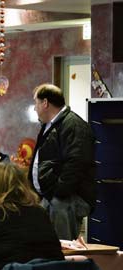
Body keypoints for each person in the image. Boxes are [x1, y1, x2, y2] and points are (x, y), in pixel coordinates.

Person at [29, 83, 96, 240]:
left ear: (45, 103)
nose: (34, 108)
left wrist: (58, 193)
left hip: (65, 201)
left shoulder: (74, 125)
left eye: (36, 102)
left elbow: (76, 163)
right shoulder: (50, 125)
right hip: (53, 198)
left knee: (63, 250)